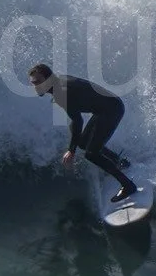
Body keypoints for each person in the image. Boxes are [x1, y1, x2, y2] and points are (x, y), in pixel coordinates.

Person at [28, 64, 138, 202]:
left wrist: (71, 150)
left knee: (91, 154)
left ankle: (128, 186)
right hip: (105, 109)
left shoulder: (62, 91)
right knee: (83, 143)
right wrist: (73, 145)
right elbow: (75, 120)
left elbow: (78, 121)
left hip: (111, 110)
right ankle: (120, 163)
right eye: (33, 83)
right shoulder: (58, 85)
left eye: (38, 82)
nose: (35, 87)